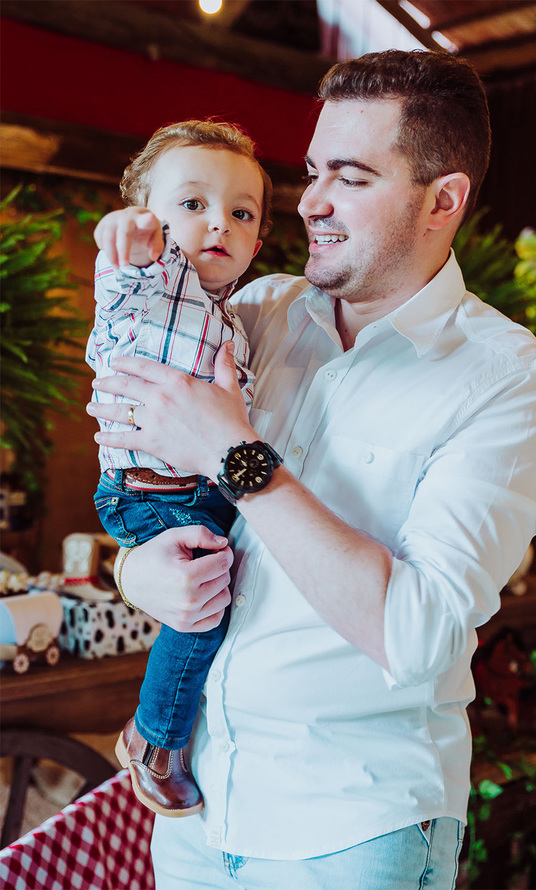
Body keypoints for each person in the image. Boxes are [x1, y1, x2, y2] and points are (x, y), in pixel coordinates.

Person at [86, 49, 536, 889]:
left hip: (351, 828)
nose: (309, 202)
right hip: (197, 811)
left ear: (442, 201)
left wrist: (237, 459)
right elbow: (147, 452)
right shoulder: (259, 311)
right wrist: (140, 574)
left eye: (349, 176)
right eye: (312, 172)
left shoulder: (506, 378)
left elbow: (415, 636)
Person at [86, 119, 271, 818]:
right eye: (191, 204)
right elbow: (125, 269)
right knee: (203, 611)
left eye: (240, 212)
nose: (218, 224)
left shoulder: (233, 319)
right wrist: (130, 238)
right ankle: (154, 739)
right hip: (154, 493)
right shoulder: (154, 286)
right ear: (152, 214)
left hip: (192, 489)